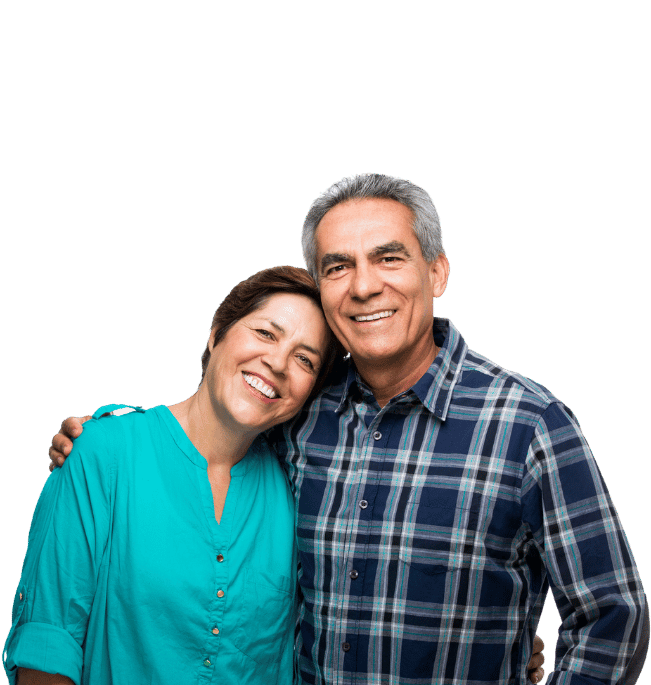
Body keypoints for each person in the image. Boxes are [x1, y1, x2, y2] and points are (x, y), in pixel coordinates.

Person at [43, 172, 633, 683]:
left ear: (437, 271)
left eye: (389, 258)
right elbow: (216, 424)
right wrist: (108, 433)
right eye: (338, 266)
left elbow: (613, 614)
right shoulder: (302, 415)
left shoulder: (528, 425)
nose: (364, 285)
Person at [3, 266, 339, 685]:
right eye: (266, 334)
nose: (278, 362)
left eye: (305, 359)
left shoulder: (297, 489)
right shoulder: (100, 453)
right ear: (216, 333)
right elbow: (48, 646)